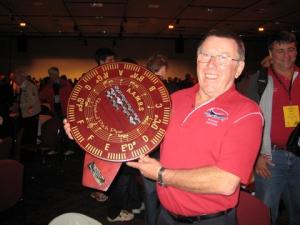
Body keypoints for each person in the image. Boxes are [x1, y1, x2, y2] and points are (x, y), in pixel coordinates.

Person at [127, 29, 264, 225]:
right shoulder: (174, 100)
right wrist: (89, 131)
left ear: (239, 68)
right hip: (165, 216)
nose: (211, 64)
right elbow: (140, 137)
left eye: (223, 58)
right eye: (205, 55)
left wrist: (161, 174)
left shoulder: (247, 113)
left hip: (209, 221)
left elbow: (225, 182)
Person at [64, 48, 136, 222]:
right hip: (104, 136)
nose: (114, 62)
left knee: (117, 173)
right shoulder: (92, 81)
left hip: (116, 134)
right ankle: (113, 212)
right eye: (110, 59)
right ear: (101, 62)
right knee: (119, 175)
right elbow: (81, 109)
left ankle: (105, 194)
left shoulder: (107, 79)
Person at [254, 31, 300, 225]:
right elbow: (247, 123)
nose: (286, 55)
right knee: (266, 214)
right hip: (271, 160)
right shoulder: (260, 80)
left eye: (290, 49)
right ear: (270, 53)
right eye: (280, 51)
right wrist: (256, 156)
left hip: (299, 157)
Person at [143, 53, 178, 225]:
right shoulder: (168, 89)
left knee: (150, 194)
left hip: (146, 148)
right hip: (164, 148)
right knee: (166, 191)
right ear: (162, 69)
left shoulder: (140, 87)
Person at [12, 72, 41, 145]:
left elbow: (32, 101)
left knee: (29, 138)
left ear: (22, 78)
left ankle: (29, 154)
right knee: (26, 137)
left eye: (15, 78)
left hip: (31, 115)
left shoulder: (29, 86)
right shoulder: (23, 86)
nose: (14, 80)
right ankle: (25, 152)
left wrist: (19, 105)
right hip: (27, 115)